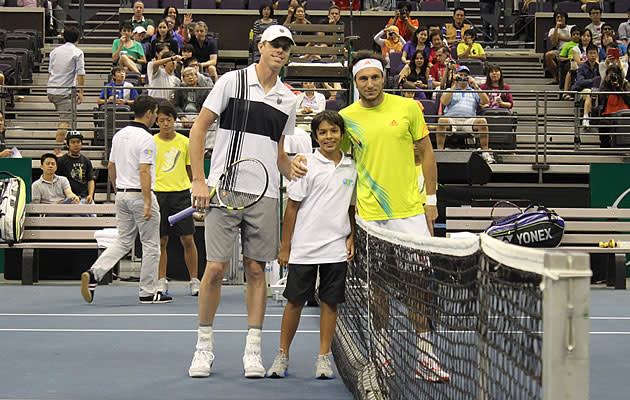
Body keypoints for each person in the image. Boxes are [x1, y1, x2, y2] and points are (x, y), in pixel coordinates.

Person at [292, 50, 446, 382]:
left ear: (383, 78)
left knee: (418, 287)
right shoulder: (345, 118)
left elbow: (427, 152)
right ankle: (382, 353)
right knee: (379, 288)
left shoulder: (407, 109)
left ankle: (426, 355)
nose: (370, 83)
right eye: (363, 78)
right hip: (370, 217)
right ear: (355, 82)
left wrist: (430, 199)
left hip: (410, 213)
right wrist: (297, 160)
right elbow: (330, 152)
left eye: (375, 77)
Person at [187, 25, 298, 379]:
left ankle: (253, 351)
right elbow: (198, 130)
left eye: (286, 47)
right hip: (224, 189)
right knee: (215, 270)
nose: (280, 51)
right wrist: (199, 180)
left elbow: (278, 153)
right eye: (275, 45)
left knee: (255, 270)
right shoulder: (230, 82)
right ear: (261, 46)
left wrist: (292, 167)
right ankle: (203, 347)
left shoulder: (288, 98)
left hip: (264, 195)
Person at [266, 110, 356, 380]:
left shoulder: (352, 166)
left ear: (342, 134)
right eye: (323, 132)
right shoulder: (304, 164)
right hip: (304, 248)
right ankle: (282, 355)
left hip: (336, 248)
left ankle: (323, 358)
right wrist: (285, 246)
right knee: (294, 302)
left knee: (330, 303)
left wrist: (351, 235)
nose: (329, 137)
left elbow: (351, 207)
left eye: (334, 131)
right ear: (316, 137)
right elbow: (291, 208)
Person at [80, 95, 172, 305]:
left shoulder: (119, 135)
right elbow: (144, 170)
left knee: (123, 240)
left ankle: (94, 273)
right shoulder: (147, 138)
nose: (156, 118)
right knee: (151, 245)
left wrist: (118, 190)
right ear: (149, 113)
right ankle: (148, 291)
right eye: (156, 114)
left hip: (121, 193)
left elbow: (111, 166)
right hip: (139, 194)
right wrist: (148, 202)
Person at [153, 102, 200, 297]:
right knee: (161, 241)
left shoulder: (185, 142)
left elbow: (191, 171)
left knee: (187, 238)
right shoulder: (151, 142)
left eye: (169, 120)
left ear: (174, 121)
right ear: (156, 121)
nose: (165, 124)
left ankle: (195, 280)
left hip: (180, 195)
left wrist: (190, 190)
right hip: (158, 194)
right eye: (161, 120)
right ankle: (161, 281)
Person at [436, 65, 492, 162]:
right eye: (460, 75)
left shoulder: (474, 91)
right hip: (451, 119)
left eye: (465, 75)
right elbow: (444, 101)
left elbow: (486, 101)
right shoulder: (450, 90)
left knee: (483, 121)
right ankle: (440, 153)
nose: (462, 77)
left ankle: (485, 152)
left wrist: (475, 86)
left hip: (469, 120)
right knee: (441, 121)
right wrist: (454, 84)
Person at [46, 26, 85, 151]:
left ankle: (61, 147)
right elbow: (80, 74)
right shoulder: (78, 52)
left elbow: (50, 72)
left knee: (64, 121)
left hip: (52, 89)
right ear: (77, 38)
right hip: (64, 92)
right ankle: (57, 151)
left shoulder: (54, 51)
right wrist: (81, 92)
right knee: (65, 122)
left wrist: (49, 89)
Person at [56, 131, 95, 204]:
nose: (76, 144)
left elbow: (90, 180)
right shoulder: (61, 161)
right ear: (68, 145)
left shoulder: (86, 161)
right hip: (68, 198)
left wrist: (90, 195)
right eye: (73, 142)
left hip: (84, 198)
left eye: (78, 142)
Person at [597, 65, 630, 147]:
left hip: (623, 113)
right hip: (608, 113)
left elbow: (628, 99)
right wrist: (606, 83)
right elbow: (601, 98)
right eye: (610, 74)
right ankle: (605, 146)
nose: (612, 76)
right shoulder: (606, 85)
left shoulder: (625, 84)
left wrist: (618, 87)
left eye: (614, 74)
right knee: (603, 123)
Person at [573, 44, 600, 128]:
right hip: (583, 91)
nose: (593, 55)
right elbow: (580, 82)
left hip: (597, 91)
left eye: (594, 53)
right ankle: (585, 118)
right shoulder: (582, 67)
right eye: (591, 53)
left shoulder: (599, 67)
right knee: (589, 93)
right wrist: (593, 81)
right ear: (587, 54)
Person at [544, 11, 573, 85]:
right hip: (560, 51)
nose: (560, 19)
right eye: (557, 17)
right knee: (548, 55)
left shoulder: (571, 27)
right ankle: (556, 78)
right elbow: (553, 43)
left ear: (565, 18)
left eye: (562, 17)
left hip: (572, 49)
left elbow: (574, 39)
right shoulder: (552, 30)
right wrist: (556, 28)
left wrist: (560, 37)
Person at [562, 28, 593, 98]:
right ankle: (566, 92)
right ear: (580, 37)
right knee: (571, 71)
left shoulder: (595, 48)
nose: (586, 38)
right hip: (580, 68)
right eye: (584, 36)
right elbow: (578, 62)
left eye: (588, 36)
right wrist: (590, 61)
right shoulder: (575, 49)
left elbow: (597, 61)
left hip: (592, 68)